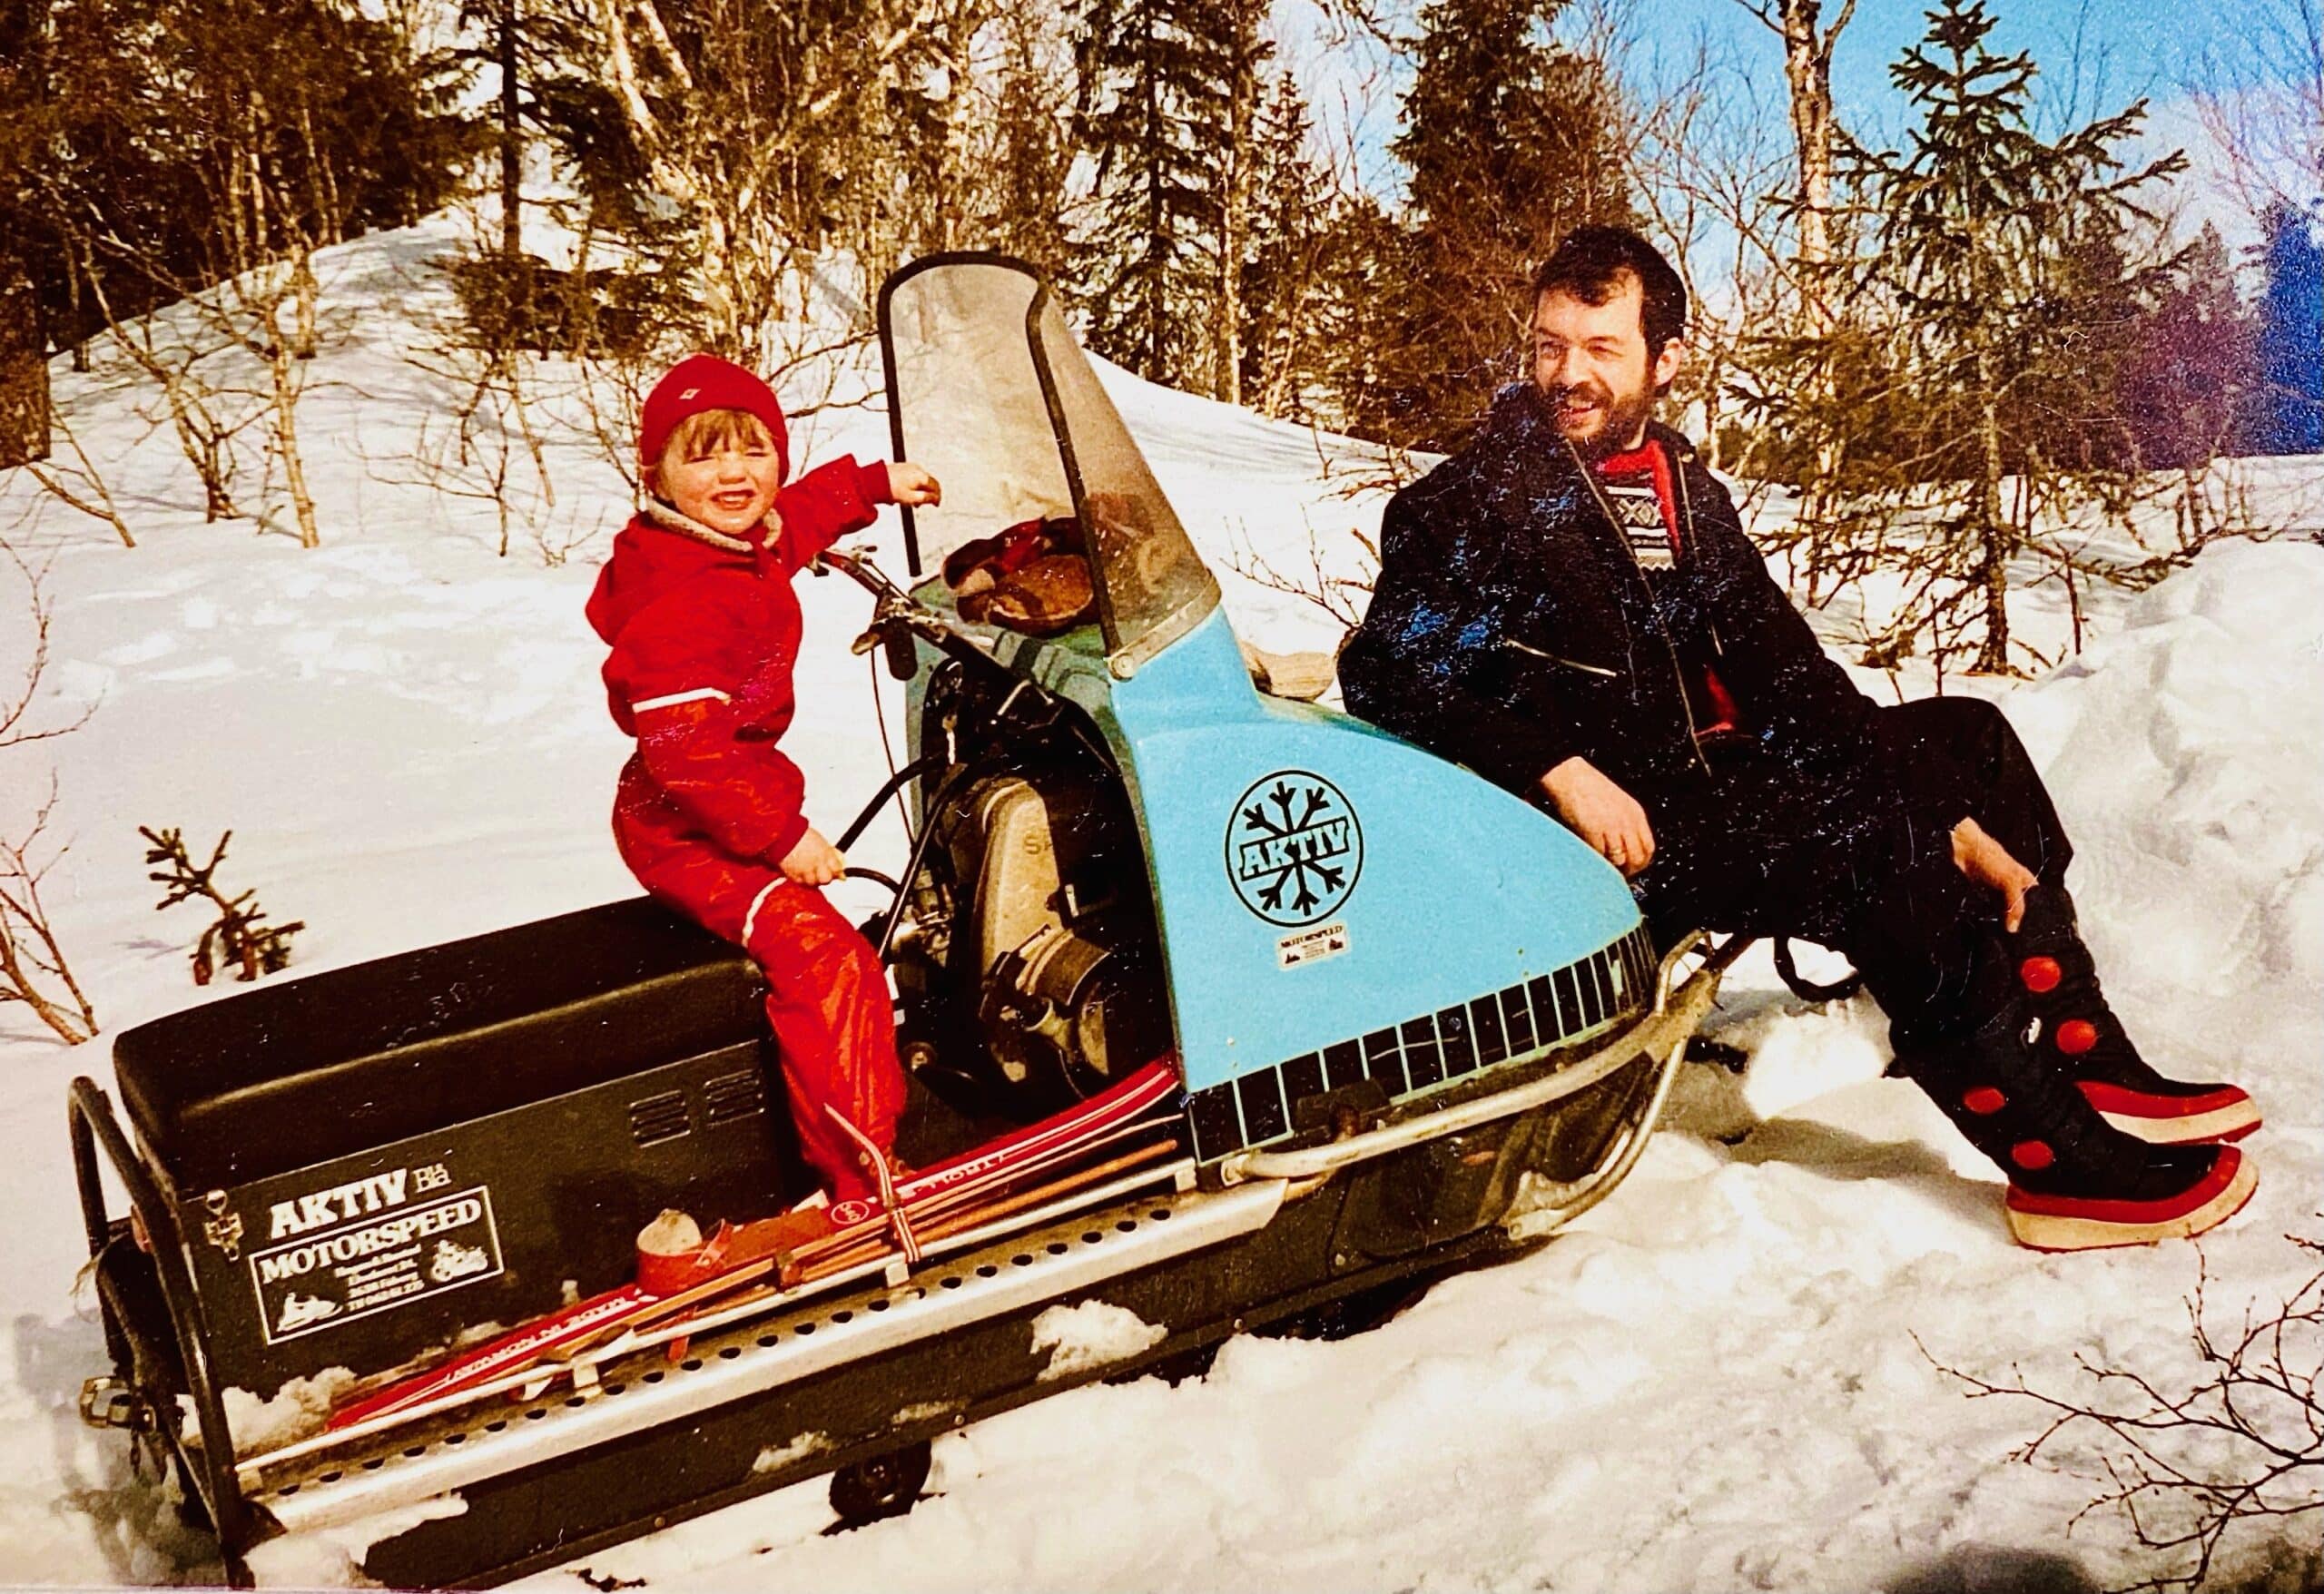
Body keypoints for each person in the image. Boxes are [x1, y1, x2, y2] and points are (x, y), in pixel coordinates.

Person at [1338, 226, 2260, 1251]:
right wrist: (1558, 771)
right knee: (1865, 835)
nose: (1570, 375)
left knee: (1969, 742)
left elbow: (1790, 680)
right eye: (1551, 345)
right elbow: (1385, 670)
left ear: (1664, 359)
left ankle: (2078, 1043)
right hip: (1606, 840)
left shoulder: (1684, 493)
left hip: (1716, 782)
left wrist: (1948, 813)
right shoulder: (1477, 507)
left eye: (1601, 348)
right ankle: (2057, 1163)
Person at [586, 353, 941, 1202]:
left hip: (717, 802)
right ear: (658, 476)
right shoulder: (687, 598)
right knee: (832, 959)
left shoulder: (729, 543)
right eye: (702, 456)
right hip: (686, 825)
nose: (734, 474)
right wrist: (781, 836)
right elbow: (684, 750)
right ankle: (864, 1182)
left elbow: (794, 519)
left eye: (752, 450)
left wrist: (872, 485)